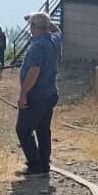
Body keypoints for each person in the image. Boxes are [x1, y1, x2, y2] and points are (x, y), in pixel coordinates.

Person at [14, 13, 61, 176]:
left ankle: (35, 166)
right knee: (43, 130)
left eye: (31, 25)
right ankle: (44, 164)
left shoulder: (37, 47)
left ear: (33, 27)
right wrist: (47, 23)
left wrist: (23, 94)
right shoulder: (54, 40)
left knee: (23, 130)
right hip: (50, 94)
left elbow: (34, 71)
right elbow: (58, 31)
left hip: (37, 96)